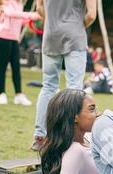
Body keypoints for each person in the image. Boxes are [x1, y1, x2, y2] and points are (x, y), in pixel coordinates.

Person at [31, 0, 97, 151]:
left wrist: (55, 23)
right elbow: (91, 15)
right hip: (75, 37)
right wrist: (77, 27)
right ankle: (68, 138)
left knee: (48, 86)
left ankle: (40, 136)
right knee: (74, 89)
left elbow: (40, 8)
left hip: (51, 36)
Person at [0, 0, 39, 106]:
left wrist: (32, 18)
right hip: (2, 37)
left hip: (14, 39)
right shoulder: (5, 2)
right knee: (3, 67)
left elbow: (18, 20)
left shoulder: (19, 5)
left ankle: (19, 95)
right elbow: (10, 14)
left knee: (16, 67)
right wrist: (31, 14)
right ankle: (2, 94)